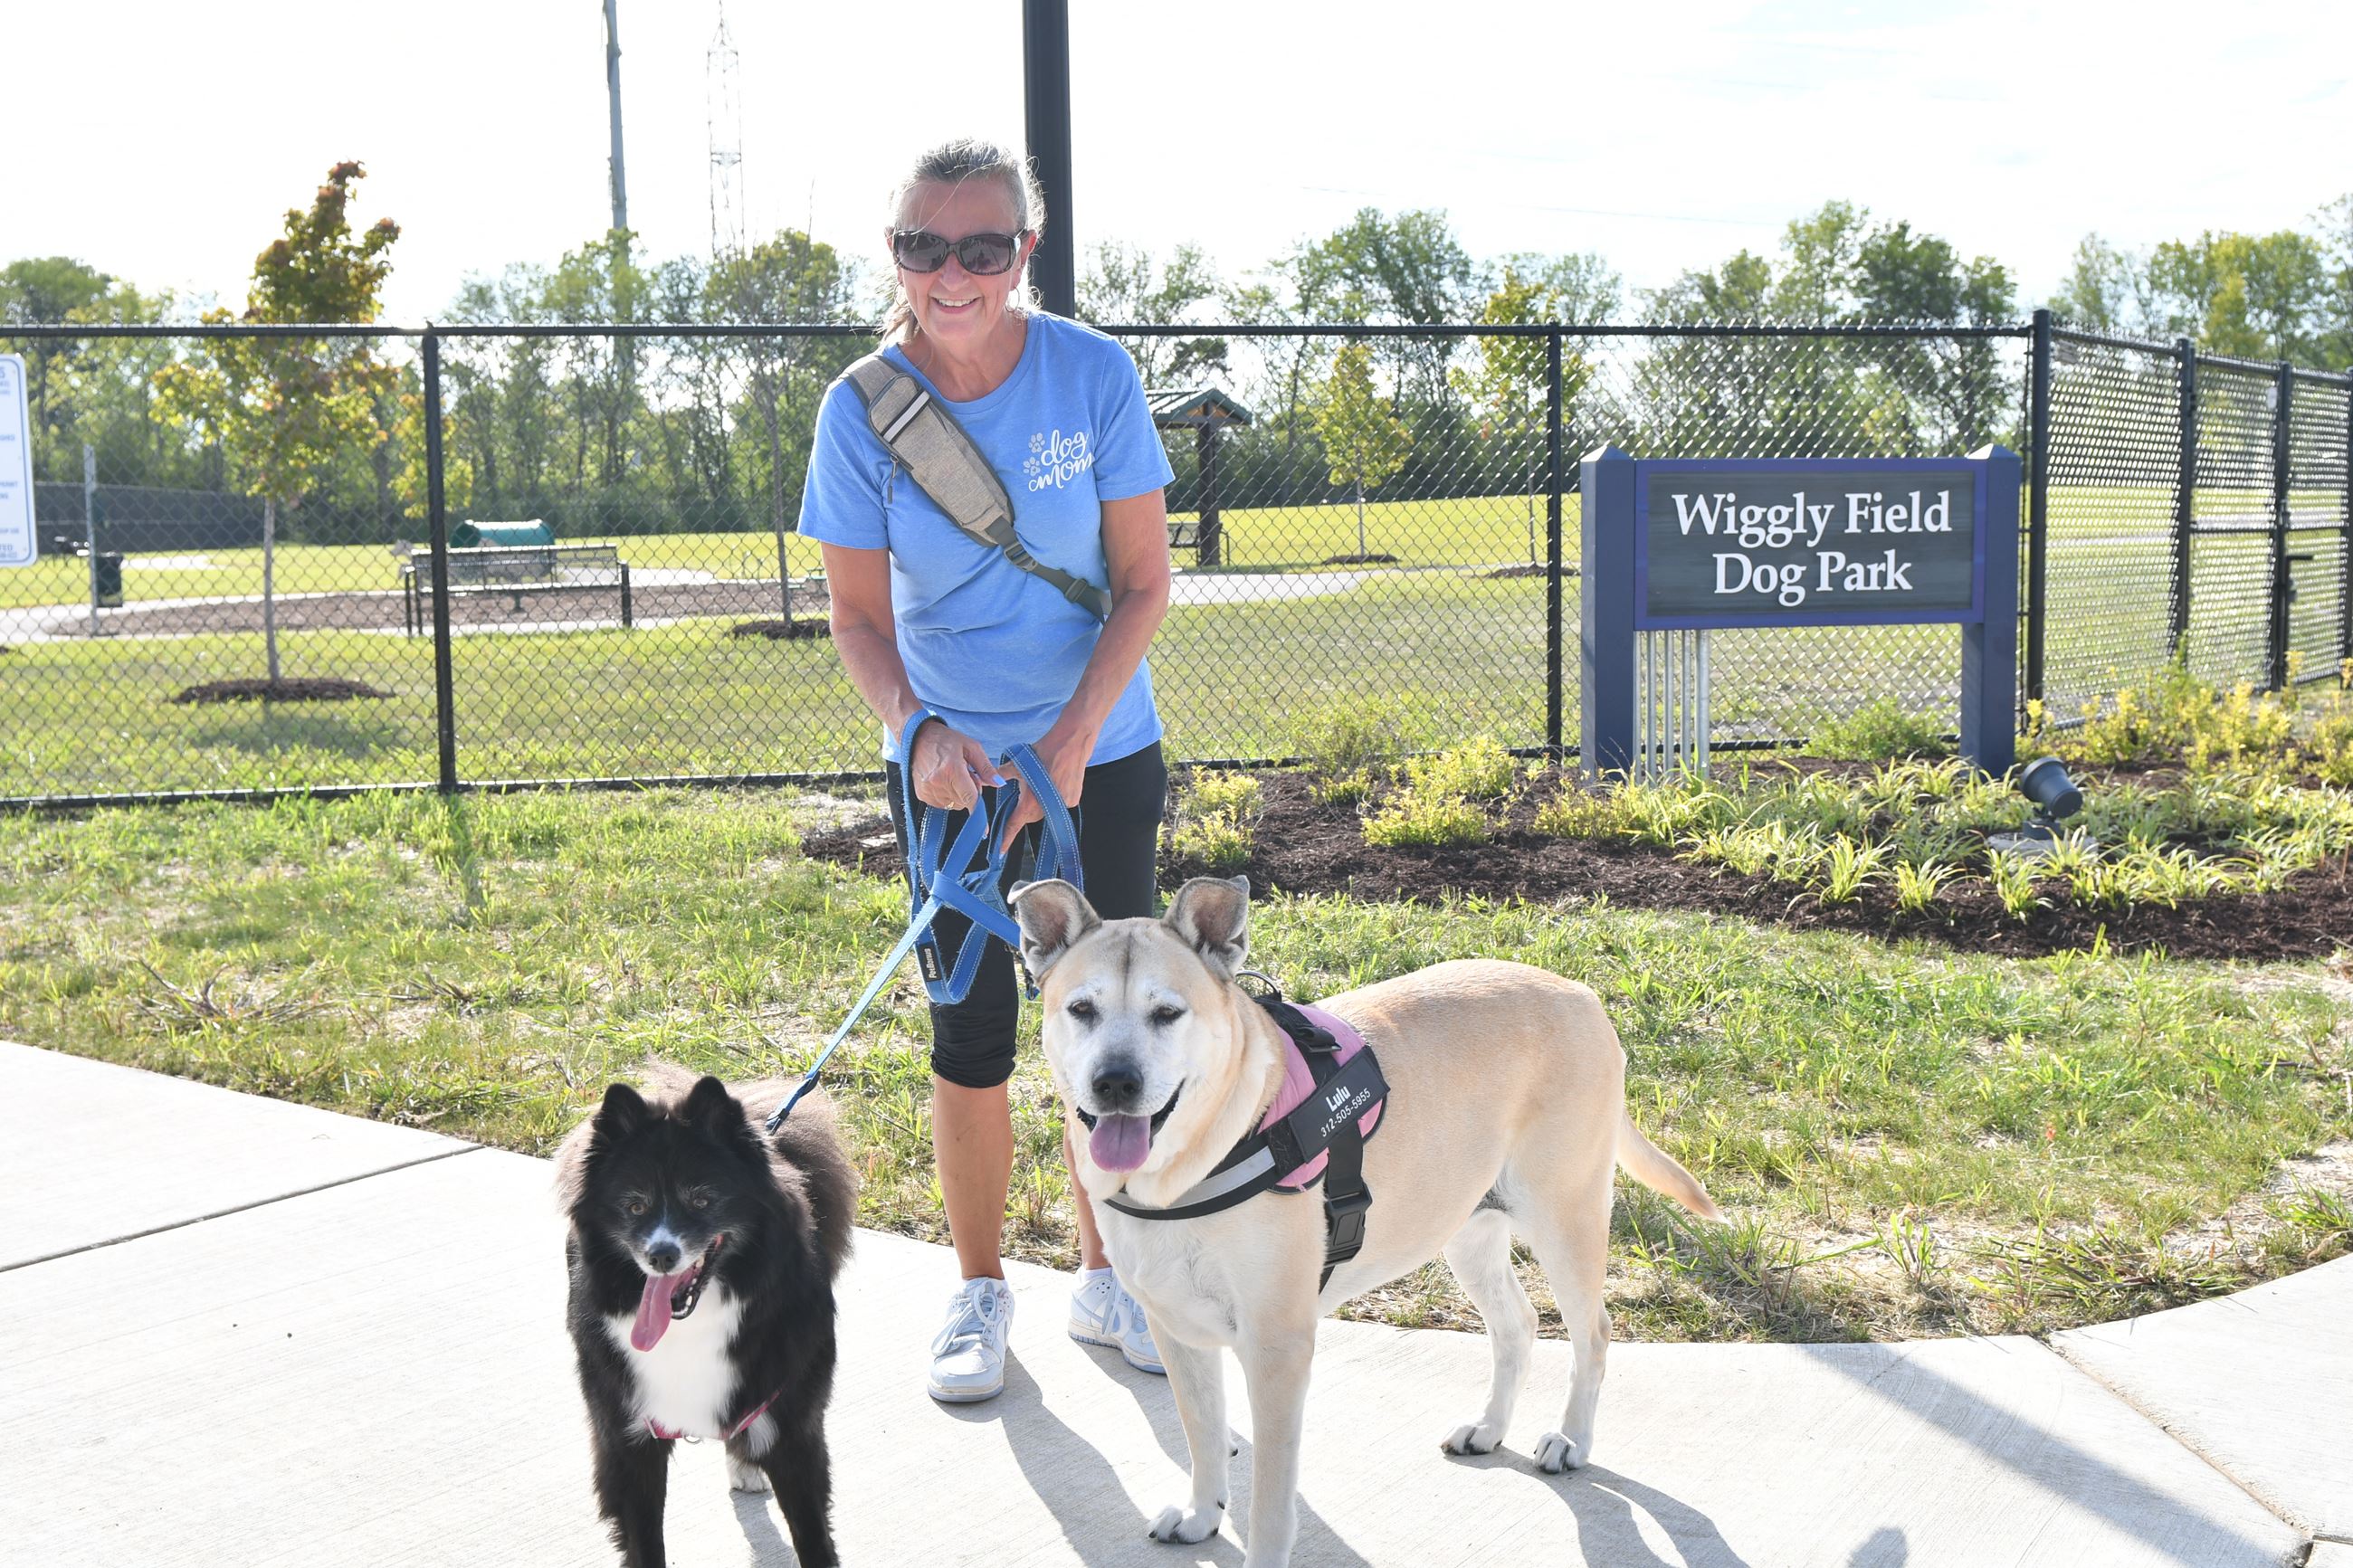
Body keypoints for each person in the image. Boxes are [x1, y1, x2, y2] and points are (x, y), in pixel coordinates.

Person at [796, 138, 1176, 1403]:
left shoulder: (1094, 376)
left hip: (1100, 758)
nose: (948, 273)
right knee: (973, 1034)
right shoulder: (860, 409)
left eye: (978, 247)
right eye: (920, 245)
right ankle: (978, 1290)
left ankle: (1107, 1267)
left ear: (1024, 252)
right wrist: (918, 730)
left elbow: (1142, 584)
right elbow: (857, 618)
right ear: (894, 255)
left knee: (1105, 1028)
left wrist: (1067, 744)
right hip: (951, 778)